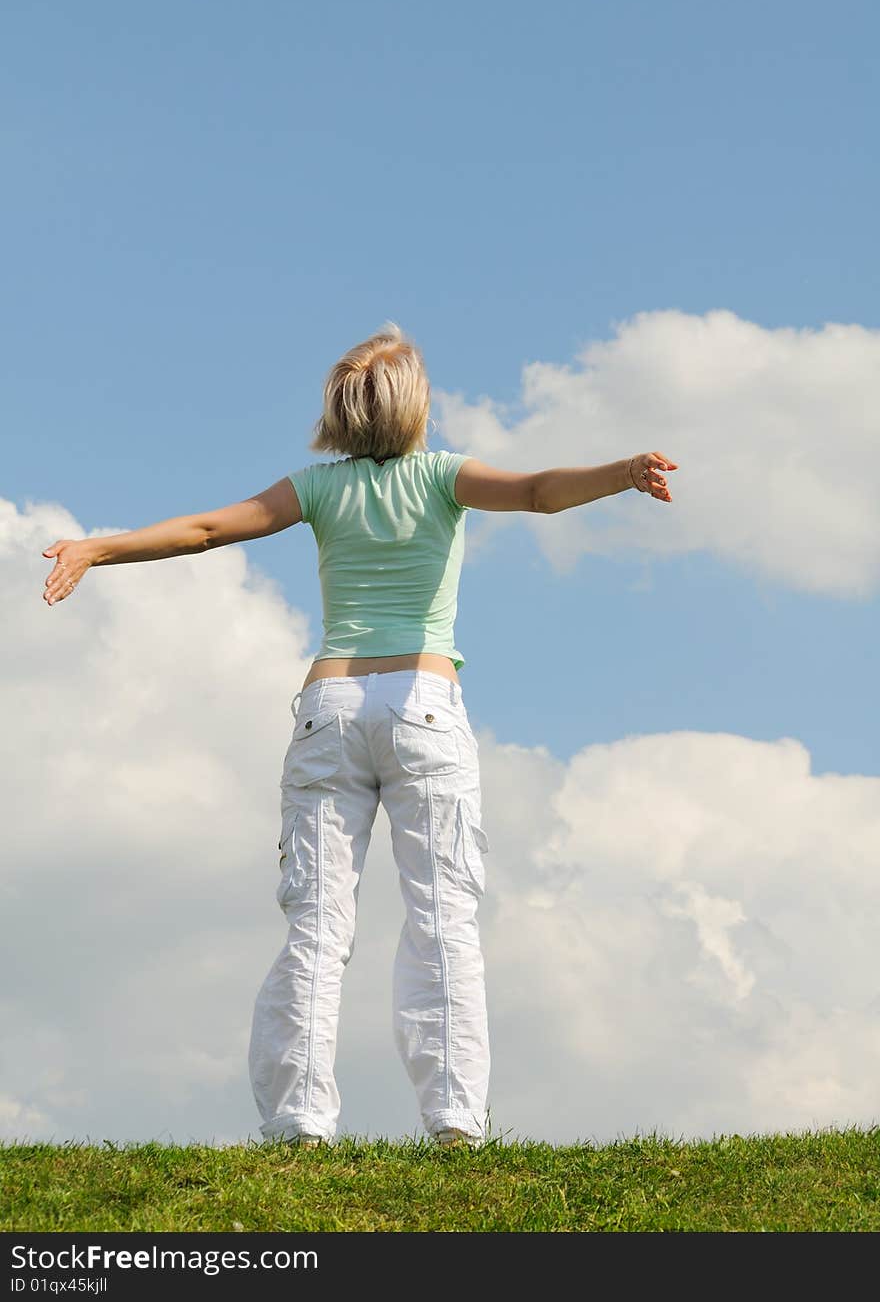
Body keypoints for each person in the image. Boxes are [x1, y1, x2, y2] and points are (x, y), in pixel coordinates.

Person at [41, 321, 677, 1150]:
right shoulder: (444, 476)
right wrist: (620, 473)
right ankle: (453, 1122)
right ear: (415, 406)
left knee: (316, 925)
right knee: (442, 916)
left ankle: (300, 1123)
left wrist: (99, 547)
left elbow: (205, 531)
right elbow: (535, 491)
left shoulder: (318, 489)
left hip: (331, 708)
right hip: (424, 701)